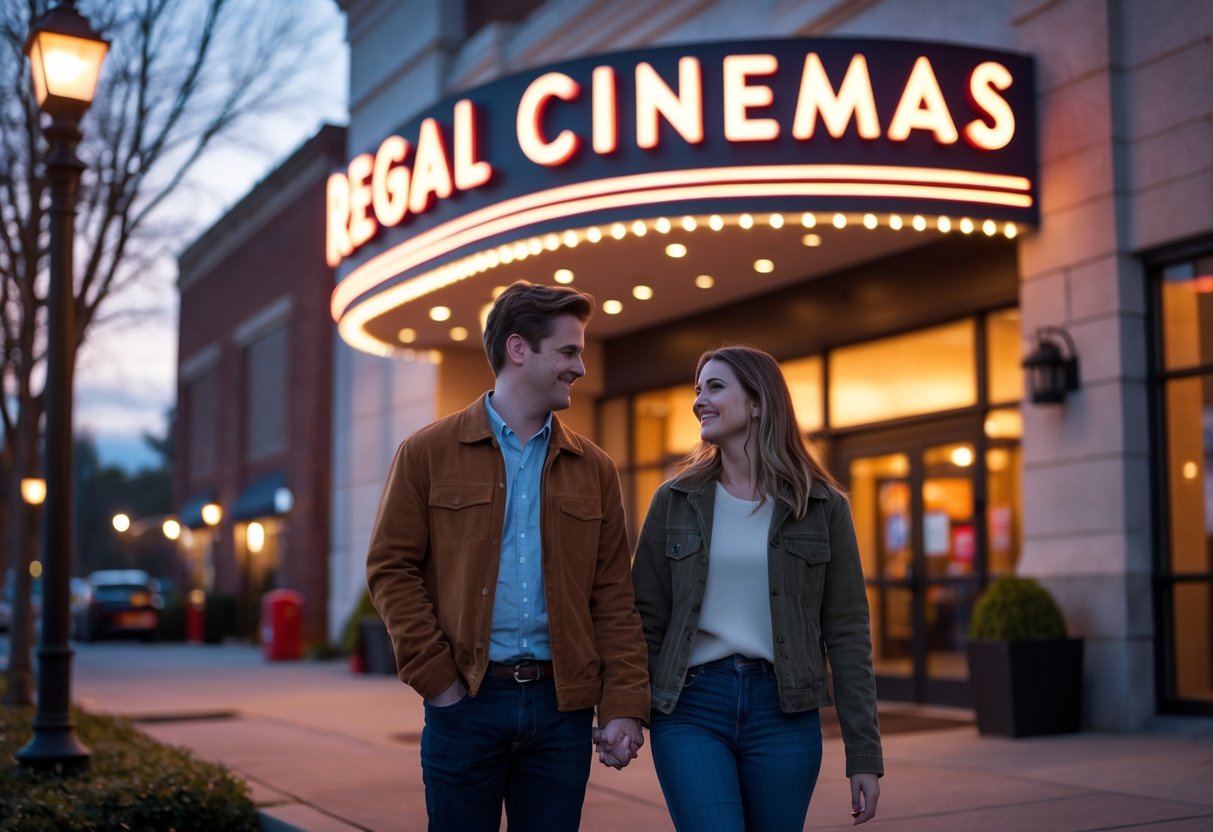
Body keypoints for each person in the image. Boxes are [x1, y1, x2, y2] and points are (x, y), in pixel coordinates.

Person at [366, 281, 649, 832]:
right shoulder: (426, 452)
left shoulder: (595, 468)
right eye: (568, 351)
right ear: (519, 349)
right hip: (466, 702)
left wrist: (623, 703)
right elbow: (390, 569)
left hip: (561, 709)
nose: (581, 368)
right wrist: (439, 682)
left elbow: (614, 596)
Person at [632, 344, 883, 831]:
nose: (699, 400)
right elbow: (644, 616)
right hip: (692, 707)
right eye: (697, 389)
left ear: (758, 402)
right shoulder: (674, 500)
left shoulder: (822, 505)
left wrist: (864, 754)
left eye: (716, 387)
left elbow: (849, 632)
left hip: (785, 713)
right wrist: (625, 712)